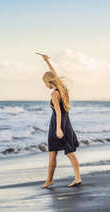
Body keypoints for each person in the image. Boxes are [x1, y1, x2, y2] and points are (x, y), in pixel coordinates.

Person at [39, 54, 81, 188]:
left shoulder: (54, 93)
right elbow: (55, 75)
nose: (45, 85)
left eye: (45, 82)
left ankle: (49, 180)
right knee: (69, 152)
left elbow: (57, 112)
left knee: (53, 153)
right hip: (66, 123)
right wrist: (47, 61)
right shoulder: (62, 88)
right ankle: (77, 178)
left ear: (48, 82)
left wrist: (58, 129)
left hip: (57, 124)